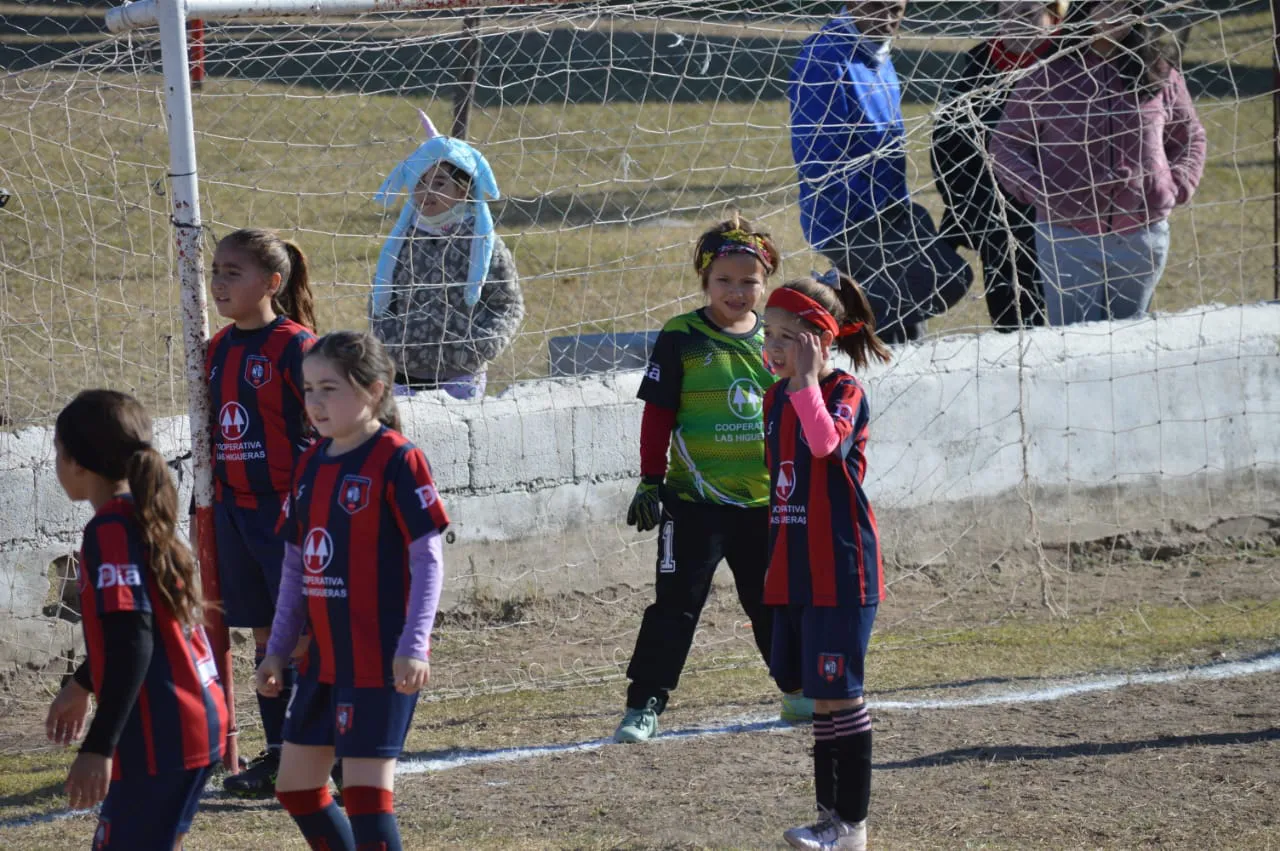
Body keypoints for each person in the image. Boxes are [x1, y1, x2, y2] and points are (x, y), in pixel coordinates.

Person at [614, 215, 810, 744]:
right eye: (724, 280)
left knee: (772, 601)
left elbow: (799, 408)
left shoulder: (778, 339)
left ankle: (796, 690)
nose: (736, 290)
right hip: (693, 502)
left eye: (749, 280)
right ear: (705, 280)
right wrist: (651, 481)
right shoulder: (682, 336)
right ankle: (644, 705)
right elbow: (657, 415)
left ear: (766, 283)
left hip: (764, 502)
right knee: (675, 606)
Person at [258, 330, 448, 851]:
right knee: (296, 788)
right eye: (309, 389)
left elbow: (427, 558)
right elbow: (296, 567)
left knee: (365, 799)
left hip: (378, 658)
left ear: (373, 390)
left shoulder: (398, 459)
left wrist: (414, 644)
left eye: (330, 389)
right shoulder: (311, 463)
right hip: (322, 661)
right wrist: (277, 649)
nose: (315, 403)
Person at [45, 389, 226, 849]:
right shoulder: (145, 517)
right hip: (195, 717)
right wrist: (82, 683)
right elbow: (147, 628)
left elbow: (134, 640)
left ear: (79, 464)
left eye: (58, 453)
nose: (57, 465)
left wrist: (98, 747)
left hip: (162, 732)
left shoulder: (109, 530)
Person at [760, 272, 891, 851]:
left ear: (819, 341)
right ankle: (827, 821)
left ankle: (851, 827)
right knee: (815, 695)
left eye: (789, 337)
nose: (774, 347)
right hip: (795, 571)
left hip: (840, 570)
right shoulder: (773, 396)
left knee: (842, 695)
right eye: (769, 334)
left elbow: (822, 445)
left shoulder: (843, 393)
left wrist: (808, 380)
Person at [990, 0, 1207, 325]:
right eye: (1105, 4)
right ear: (1085, 9)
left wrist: (1173, 187)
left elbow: (1190, 136)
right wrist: (1041, 191)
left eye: (1123, 5)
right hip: (1067, 236)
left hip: (1141, 236)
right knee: (1073, 341)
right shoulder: (1048, 76)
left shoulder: (1159, 72)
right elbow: (1006, 145)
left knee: (1130, 340)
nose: (1114, 13)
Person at [206, 227, 318, 797]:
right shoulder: (217, 349)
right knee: (263, 635)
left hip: (287, 517)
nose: (219, 282)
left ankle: (324, 753)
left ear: (272, 283)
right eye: (216, 270)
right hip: (234, 514)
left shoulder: (296, 346)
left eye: (234, 272)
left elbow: (322, 430)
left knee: (302, 636)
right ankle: (277, 754)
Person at [789, 0, 972, 344]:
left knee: (916, 312)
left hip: (889, 211)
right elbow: (817, 155)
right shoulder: (826, 58)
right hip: (852, 220)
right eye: (877, 6)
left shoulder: (876, 53)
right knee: (923, 300)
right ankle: (832, 321)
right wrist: (859, 220)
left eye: (896, 9)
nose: (888, 18)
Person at [930, 1, 1069, 331]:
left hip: (1071, 224)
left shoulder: (1076, 62)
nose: (1013, 23)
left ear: (1054, 15)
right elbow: (947, 147)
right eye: (1004, 13)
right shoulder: (979, 66)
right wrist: (973, 212)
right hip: (1000, 228)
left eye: (1026, 13)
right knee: (1014, 332)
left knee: (1076, 331)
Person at [369, 111, 524, 400]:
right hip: (402, 372)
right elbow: (381, 295)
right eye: (419, 181)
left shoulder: (482, 242)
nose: (426, 191)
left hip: (460, 374)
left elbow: (507, 303)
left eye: (439, 183)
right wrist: (389, 342)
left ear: (464, 189)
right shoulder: (402, 241)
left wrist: (476, 347)